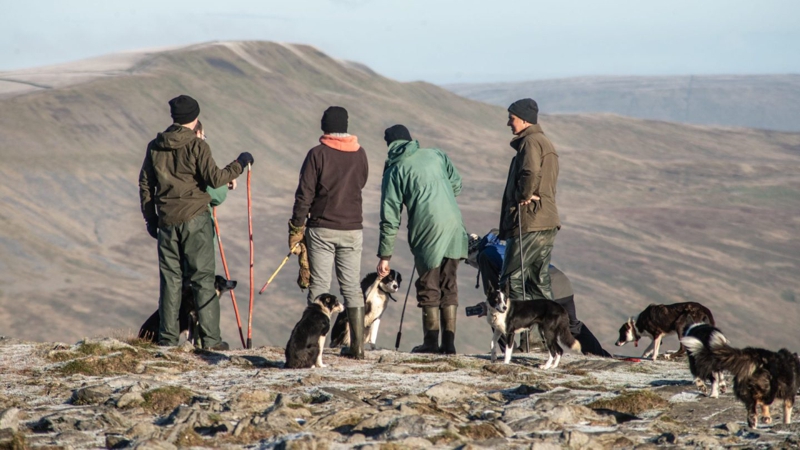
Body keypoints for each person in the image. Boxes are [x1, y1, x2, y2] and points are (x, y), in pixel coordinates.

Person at [139, 94, 253, 350]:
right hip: (195, 219)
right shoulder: (197, 145)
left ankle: (167, 339)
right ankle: (211, 341)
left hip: (167, 221)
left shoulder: (155, 146)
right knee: (202, 280)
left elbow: (146, 185)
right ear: (195, 117)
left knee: (171, 281)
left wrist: (151, 221)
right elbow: (215, 178)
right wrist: (240, 163)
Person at [377, 125, 468, 354]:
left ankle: (430, 343)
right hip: (455, 225)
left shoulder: (394, 170)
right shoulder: (436, 154)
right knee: (449, 282)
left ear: (390, 145)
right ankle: (449, 345)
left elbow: (390, 217)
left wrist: (385, 256)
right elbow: (456, 184)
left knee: (429, 284)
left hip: (427, 229)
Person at [288, 106, 369, 359]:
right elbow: (362, 182)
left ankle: (311, 349)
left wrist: (296, 227)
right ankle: (357, 349)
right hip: (353, 228)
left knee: (319, 286)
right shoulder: (360, 154)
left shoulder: (317, 154)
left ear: (324, 126)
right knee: (352, 287)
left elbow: (305, 194)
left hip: (321, 228)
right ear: (346, 125)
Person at [467, 231, 611, 357]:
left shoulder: (484, 256)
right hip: (560, 281)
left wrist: (489, 307)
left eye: (468, 262)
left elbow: (493, 292)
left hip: (543, 288)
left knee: (502, 316)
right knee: (572, 324)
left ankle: (513, 352)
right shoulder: (501, 248)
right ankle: (601, 356)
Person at [498, 98, 561, 303]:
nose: (509, 123)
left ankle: (522, 332)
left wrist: (523, 195)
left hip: (529, 221)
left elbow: (530, 171)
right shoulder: (545, 142)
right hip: (546, 221)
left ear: (525, 120)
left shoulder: (530, 142)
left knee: (512, 280)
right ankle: (544, 334)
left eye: (512, 118)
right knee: (538, 281)